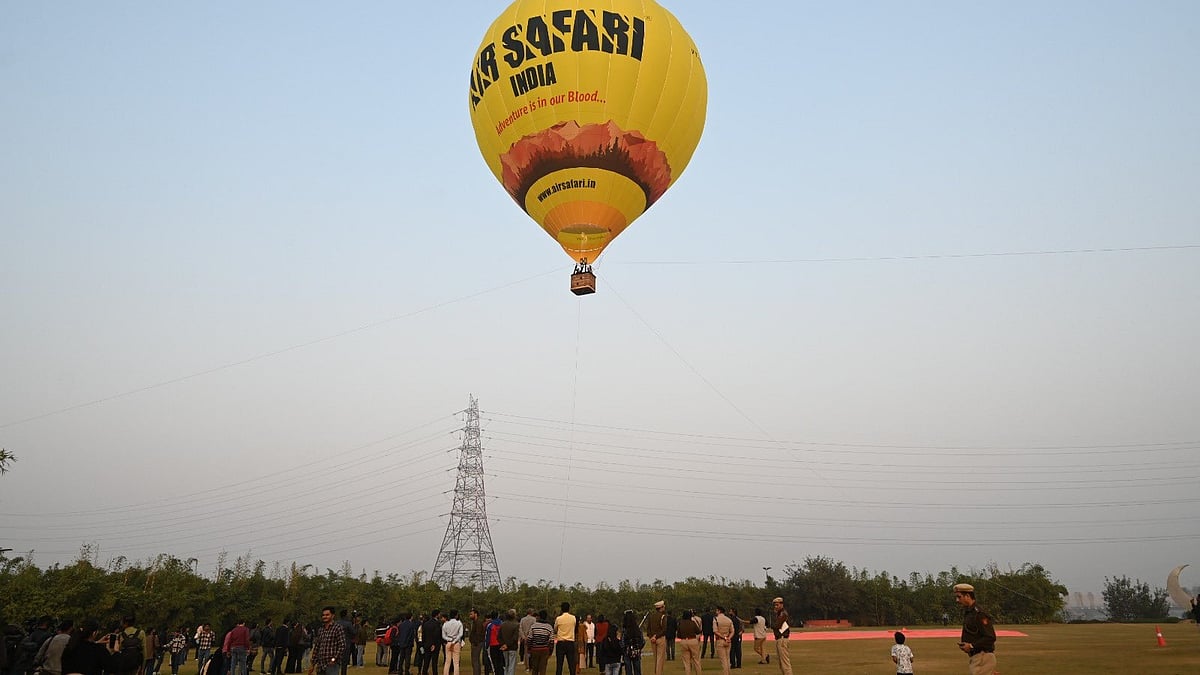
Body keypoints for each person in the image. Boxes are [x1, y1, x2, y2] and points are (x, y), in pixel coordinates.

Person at [953, 584, 996, 675]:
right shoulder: (969, 612)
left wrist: (971, 646)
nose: (957, 600)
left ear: (967, 596)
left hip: (983, 657)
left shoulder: (979, 614)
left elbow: (990, 637)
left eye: (959, 597)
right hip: (977, 657)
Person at [313, 607, 349, 675]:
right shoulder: (321, 629)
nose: (324, 617)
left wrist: (334, 659)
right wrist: (313, 663)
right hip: (321, 665)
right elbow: (317, 647)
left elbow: (342, 645)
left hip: (332, 665)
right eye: (323, 615)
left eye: (327, 615)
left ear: (332, 616)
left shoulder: (338, 628)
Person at [552, 603, 576, 675]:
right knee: (571, 664)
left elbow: (555, 629)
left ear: (561, 609)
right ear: (569, 609)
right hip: (570, 642)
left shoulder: (558, 618)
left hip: (561, 642)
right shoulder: (573, 618)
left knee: (559, 664)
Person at [674, 610, 700, 675]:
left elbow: (678, 635)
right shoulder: (692, 622)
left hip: (683, 641)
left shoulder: (680, 623)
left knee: (686, 662)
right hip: (692, 640)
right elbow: (698, 631)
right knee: (696, 661)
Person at [769, 598, 790, 675]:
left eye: (777, 605)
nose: (775, 607)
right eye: (775, 605)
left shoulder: (782, 614)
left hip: (782, 639)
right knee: (782, 663)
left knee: (785, 663)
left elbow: (777, 625)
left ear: (781, 604)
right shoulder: (779, 614)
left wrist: (771, 625)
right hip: (780, 639)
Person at [646, 601, 666, 675]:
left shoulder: (651, 616)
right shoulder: (663, 616)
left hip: (652, 639)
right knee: (660, 659)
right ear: (661, 608)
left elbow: (648, 628)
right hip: (660, 638)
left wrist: (651, 637)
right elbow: (664, 629)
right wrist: (656, 636)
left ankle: (656, 672)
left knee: (655, 658)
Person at [441, 610, 464, 675]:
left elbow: (443, 636)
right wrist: (454, 640)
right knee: (456, 662)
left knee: (447, 662)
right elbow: (460, 634)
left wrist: (450, 639)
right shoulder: (459, 623)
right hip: (456, 643)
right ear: (456, 615)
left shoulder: (446, 624)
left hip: (448, 643)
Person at [711, 608, 732, 675]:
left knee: (723, 660)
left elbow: (715, 631)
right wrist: (728, 638)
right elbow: (732, 631)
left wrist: (724, 637)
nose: (716, 612)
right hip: (728, 641)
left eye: (716, 610)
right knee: (728, 659)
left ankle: (726, 673)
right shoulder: (728, 619)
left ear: (719, 611)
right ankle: (729, 673)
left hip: (720, 640)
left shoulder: (716, 619)